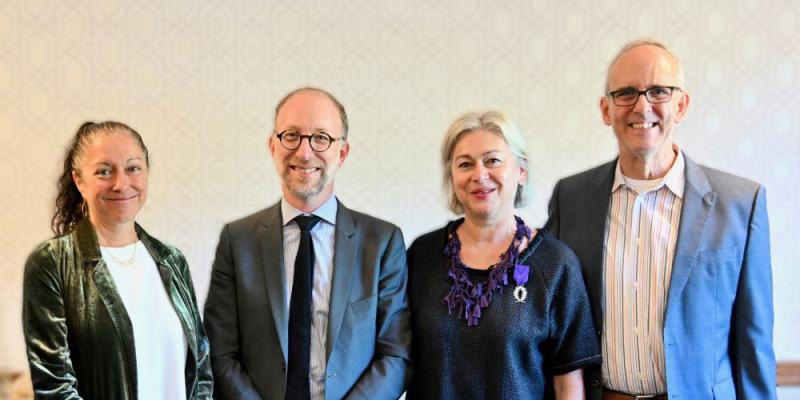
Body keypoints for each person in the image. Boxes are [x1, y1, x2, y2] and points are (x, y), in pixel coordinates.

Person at [544, 40, 776, 400]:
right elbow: (550, 319)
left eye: (658, 91)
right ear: (606, 110)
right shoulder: (570, 198)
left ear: (681, 104)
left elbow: (753, 343)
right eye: (625, 93)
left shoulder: (740, 204)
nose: (641, 105)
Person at [203, 87, 411, 400]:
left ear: (342, 152)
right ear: (273, 146)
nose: (304, 152)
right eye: (291, 136)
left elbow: (395, 356)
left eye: (321, 138)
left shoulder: (382, 242)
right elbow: (220, 354)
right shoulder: (237, 241)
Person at [406, 111, 601, 399]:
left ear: (520, 171)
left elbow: (568, 386)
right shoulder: (421, 256)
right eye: (465, 164)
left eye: (493, 160)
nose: (479, 175)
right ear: (452, 177)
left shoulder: (556, 264)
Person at [22, 121, 213, 399]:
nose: (121, 183)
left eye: (133, 168)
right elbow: (54, 387)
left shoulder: (171, 260)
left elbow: (201, 369)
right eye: (104, 171)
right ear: (79, 180)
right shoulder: (52, 262)